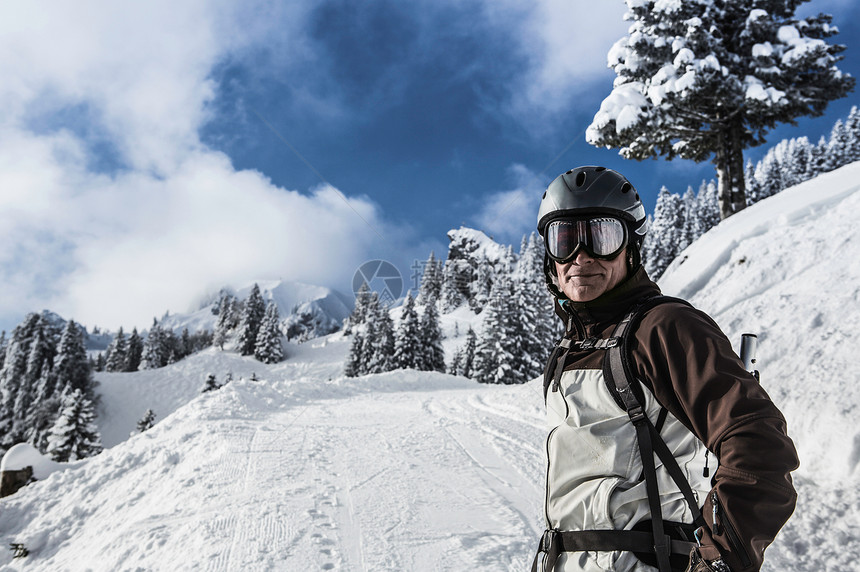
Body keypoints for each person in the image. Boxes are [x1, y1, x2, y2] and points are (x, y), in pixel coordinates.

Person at [531, 166, 798, 572]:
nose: (580, 256)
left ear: (631, 248)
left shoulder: (663, 327)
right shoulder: (569, 349)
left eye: (602, 237)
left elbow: (759, 446)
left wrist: (716, 562)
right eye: (564, 239)